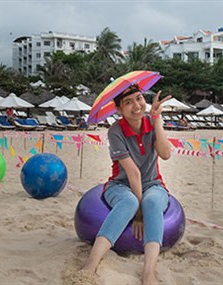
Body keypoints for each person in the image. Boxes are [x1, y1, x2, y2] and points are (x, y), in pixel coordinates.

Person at [80, 84, 172, 285]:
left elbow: (165, 154)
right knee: (130, 203)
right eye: (128, 102)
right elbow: (133, 173)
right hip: (120, 185)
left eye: (139, 98)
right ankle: (90, 265)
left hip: (153, 184)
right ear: (119, 110)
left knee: (153, 203)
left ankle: (149, 272)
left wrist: (157, 120)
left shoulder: (151, 121)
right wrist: (138, 214)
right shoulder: (115, 131)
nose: (136, 105)